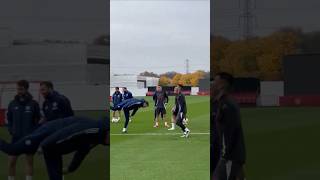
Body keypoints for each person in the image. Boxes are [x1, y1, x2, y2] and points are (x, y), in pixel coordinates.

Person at [0, 116, 109, 180]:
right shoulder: (93, 129)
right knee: (12, 150)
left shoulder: (97, 138)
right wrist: (44, 144)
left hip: (54, 147)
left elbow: (83, 151)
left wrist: (71, 168)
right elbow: (67, 132)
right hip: (49, 133)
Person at [212, 72, 246, 180]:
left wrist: (225, 156)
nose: (212, 84)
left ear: (222, 85)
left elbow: (229, 132)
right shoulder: (219, 103)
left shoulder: (227, 105)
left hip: (228, 156)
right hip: (223, 155)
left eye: (215, 82)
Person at [6, 80, 41, 180]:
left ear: (26, 89)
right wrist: (10, 129)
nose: (18, 91)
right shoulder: (12, 104)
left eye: (21, 89)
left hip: (29, 138)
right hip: (16, 138)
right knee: (11, 161)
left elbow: (38, 120)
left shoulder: (33, 104)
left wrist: (33, 132)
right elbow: (9, 119)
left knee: (29, 162)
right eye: (17, 89)